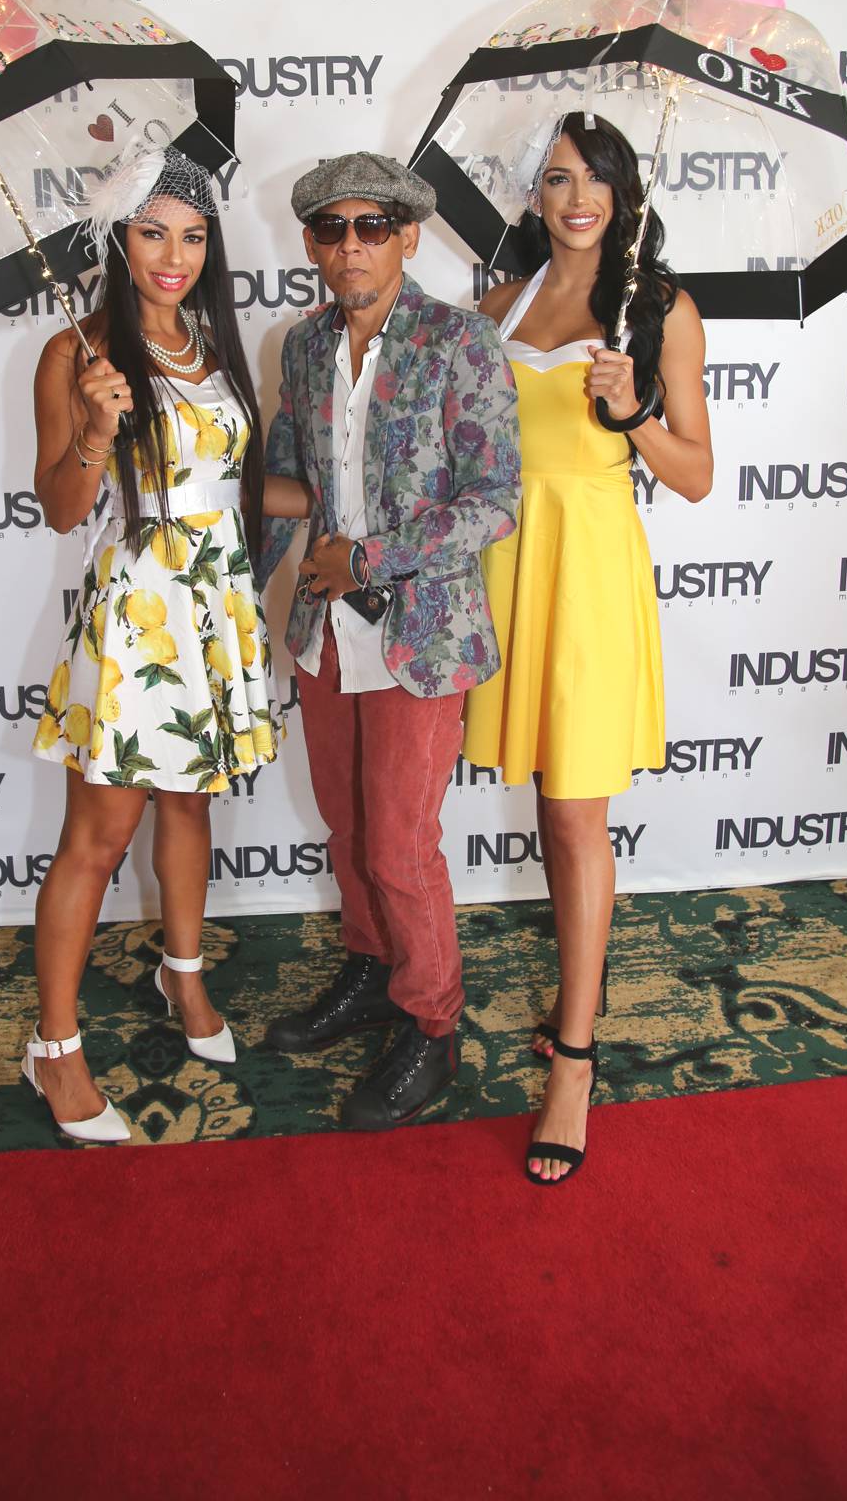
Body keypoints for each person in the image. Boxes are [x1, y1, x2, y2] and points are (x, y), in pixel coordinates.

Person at [25, 144, 301, 1143]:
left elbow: (233, 489)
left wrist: (334, 505)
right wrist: (96, 432)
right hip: (139, 614)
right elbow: (63, 508)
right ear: (119, 240)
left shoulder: (214, 344)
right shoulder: (77, 354)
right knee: (97, 840)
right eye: (152, 234)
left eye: (191, 237)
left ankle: (181, 976)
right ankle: (54, 1048)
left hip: (215, 609)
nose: (174, 257)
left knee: (189, 803)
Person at [464, 111, 713, 1185]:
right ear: (534, 194)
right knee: (543, 798)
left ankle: (573, 1060)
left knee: (574, 814)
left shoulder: (660, 309)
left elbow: (695, 474)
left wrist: (634, 414)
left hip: (591, 572)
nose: (577, 198)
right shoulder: (496, 305)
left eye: (596, 178)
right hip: (506, 568)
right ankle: (576, 992)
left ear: (623, 193)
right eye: (559, 178)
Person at [259, 151, 520, 1130]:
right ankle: (371, 972)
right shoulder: (299, 346)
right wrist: (226, 574)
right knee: (348, 827)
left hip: (422, 633)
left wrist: (369, 558)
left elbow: (494, 502)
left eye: (372, 226)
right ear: (311, 243)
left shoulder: (460, 342)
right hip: (326, 632)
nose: (351, 246)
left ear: (408, 236)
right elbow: (287, 480)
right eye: (331, 228)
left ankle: (431, 1023)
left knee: (402, 844)